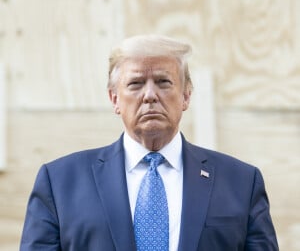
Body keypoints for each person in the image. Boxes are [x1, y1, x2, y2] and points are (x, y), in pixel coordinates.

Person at [20, 34, 279, 250]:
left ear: (186, 95)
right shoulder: (60, 182)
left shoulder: (241, 182)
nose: (150, 95)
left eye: (163, 82)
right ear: (114, 99)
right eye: (135, 83)